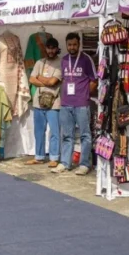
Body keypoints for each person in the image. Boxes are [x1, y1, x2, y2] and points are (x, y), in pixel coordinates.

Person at [55, 32, 97, 175]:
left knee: (85, 135)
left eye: (74, 44)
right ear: (66, 45)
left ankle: (84, 164)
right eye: (69, 45)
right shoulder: (64, 60)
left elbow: (94, 80)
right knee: (67, 135)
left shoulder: (86, 59)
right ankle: (65, 163)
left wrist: (85, 94)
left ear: (79, 44)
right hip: (66, 103)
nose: (72, 47)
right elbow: (64, 79)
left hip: (81, 104)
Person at [27, 37, 61, 168]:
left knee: (54, 131)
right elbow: (31, 79)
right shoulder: (39, 62)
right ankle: (39, 156)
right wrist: (45, 80)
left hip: (54, 102)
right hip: (38, 102)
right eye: (49, 48)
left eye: (53, 48)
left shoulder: (60, 63)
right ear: (45, 49)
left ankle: (54, 157)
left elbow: (53, 82)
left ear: (57, 49)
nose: (51, 51)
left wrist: (39, 77)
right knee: (39, 131)